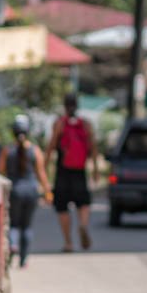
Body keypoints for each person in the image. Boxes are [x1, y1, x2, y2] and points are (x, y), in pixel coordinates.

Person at [0, 114, 52, 268]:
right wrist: (48, 192)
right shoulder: (35, 150)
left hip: (14, 191)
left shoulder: (7, 150)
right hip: (31, 191)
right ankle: (24, 260)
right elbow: (41, 173)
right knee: (27, 226)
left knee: (14, 224)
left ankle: (13, 245)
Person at [46, 92, 97, 252]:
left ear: (64, 105)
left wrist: (45, 165)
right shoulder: (86, 124)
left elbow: (52, 146)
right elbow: (93, 148)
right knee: (83, 203)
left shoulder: (60, 124)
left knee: (62, 207)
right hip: (80, 171)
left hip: (63, 171)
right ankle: (82, 225)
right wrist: (95, 168)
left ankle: (68, 242)